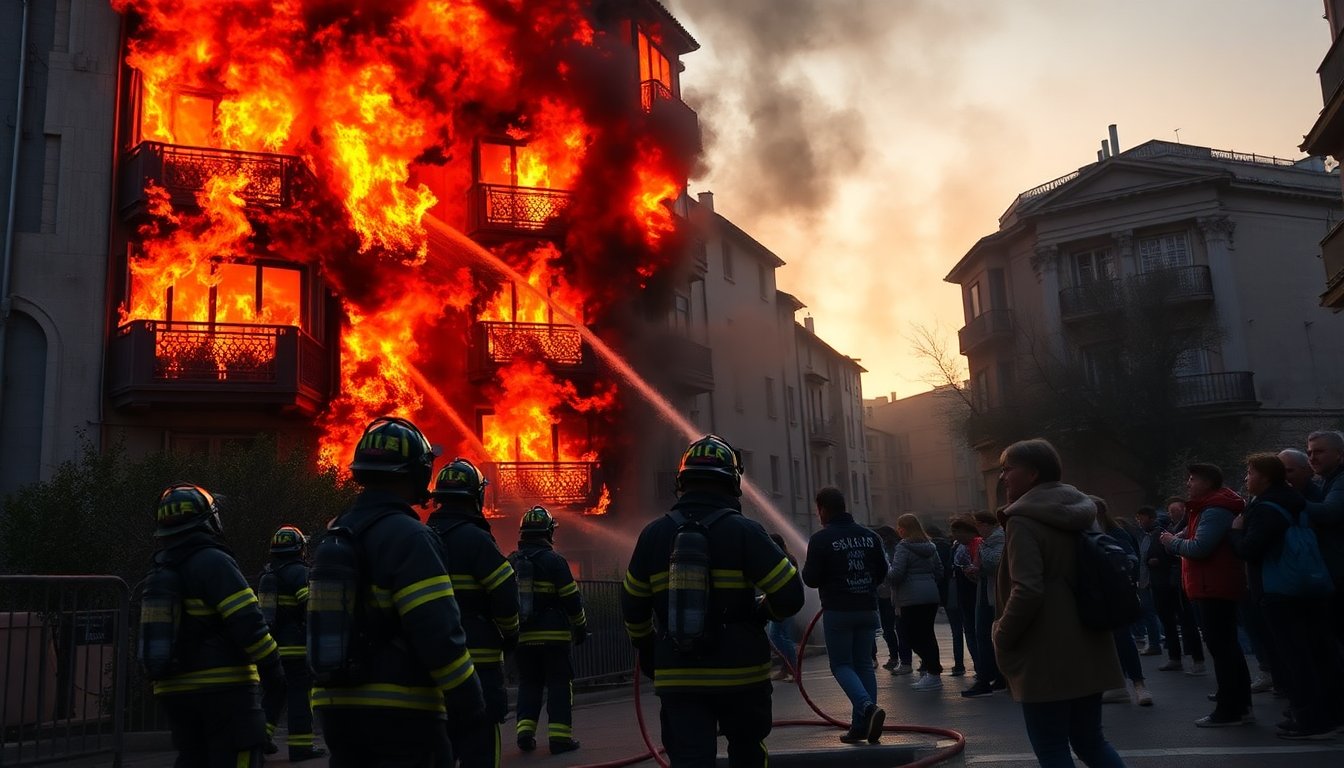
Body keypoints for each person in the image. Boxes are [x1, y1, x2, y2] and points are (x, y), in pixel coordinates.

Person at [311, 416, 485, 767]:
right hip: (402, 711)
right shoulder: (411, 537)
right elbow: (438, 632)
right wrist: (471, 701)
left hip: (335, 708)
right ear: (417, 473)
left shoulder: (337, 531)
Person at [622, 434, 805, 767]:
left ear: (682, 480)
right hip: (742, 673)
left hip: (678, 675)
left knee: (690, 760)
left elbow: (632, 603)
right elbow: (791, 595)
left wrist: (648, 648)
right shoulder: (745, 531)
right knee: (748, 752)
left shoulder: (653, 535)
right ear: (733, 481)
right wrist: (762, 612)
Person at [991, 439, 1126, 768]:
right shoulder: (1080, 511)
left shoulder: (1023, 519)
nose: (1003, 477)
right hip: (1089, 640)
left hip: (1044, 651)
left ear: (1033, 473)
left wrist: (1002, 634)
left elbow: (1028, 589)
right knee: (1091, 741)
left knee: (1051, 747)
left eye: (1008, 469)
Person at [144, 484, 284, 767]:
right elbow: (249, 623)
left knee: (193, 758)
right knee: (238, 755)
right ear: (208, 519)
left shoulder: (159, 570)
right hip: (224, 690)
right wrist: (273, 667)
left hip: (173, 692)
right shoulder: (213, 562)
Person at [1229, 452, 1340, 739]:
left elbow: (1250, 550)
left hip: (1278, 589)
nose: (1246, 478)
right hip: (1311, 585)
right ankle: (1330, 714)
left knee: (1294, 658)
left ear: (1265, 476)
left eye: (1250, 473)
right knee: (1318, 653)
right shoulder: (1298, 501)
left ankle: (1310, 720)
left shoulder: (1266, 507)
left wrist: (1236, 532)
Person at [427, 458, 521, 767]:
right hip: (477, 661)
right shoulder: (477, 540)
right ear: (476, 496)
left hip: (430, 662)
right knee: (479, 743)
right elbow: (506, 593)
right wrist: (510, 633)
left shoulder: (419, 539)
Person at [1159, 463, 1251, 727]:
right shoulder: (1207, 508)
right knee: (1224, 647)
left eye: (1191, 479)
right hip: (1209, 585)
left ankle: (1231, 709)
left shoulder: (1215, 509)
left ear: (1207, 482)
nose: (1187, 484)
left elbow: (1200, 547)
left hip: (1214, 586)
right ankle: (1235, 700)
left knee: (1223, 649)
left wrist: (1171, 543)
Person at [802, 486, 890, 744]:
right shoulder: (870, 536)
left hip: (838, 610)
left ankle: (867, 708)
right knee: (863, 664)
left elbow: (810, 578)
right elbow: (882, 571)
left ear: (823, 510)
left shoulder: (821, 539)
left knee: (841, 664)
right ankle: (861, 727)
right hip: (867, 608)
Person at [510, 505, 587, 755]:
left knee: (529, 683)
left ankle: (524, 732)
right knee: (558, 684)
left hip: (522, 637)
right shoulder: (554, 561)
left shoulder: (511, 561)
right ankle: (560, 739)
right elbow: (571, 599)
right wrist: (581, 626)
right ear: (549, 532)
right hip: (554, 638)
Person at [258, 525, 326, 761]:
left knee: (274, 693)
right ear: (300, 549)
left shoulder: (268, 575)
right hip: (297, 648)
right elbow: (311, 606)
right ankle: (301, 747)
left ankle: (260, 739)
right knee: (300, 695)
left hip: (272, 648)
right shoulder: (299, 573)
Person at [1092, 497, 1152, 707]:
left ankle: (1138, 684)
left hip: (1114, 594)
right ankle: (1116, 685)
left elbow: (1130, 560)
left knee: (1122, 638)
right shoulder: (1088, 535)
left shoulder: (1114, 534)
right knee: (1107, 641)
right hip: (1099, 595)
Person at [887, 514, 944, 691]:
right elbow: (940, 571)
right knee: (927, 634)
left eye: (899, 527)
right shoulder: (931, 546)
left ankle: (933, 671)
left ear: (904, 528)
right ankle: (933, 673)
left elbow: (896, 575)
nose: (898, 530)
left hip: (910, 598)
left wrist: (885, 570)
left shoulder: (903, 547)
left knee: (909, 635)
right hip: (930, 595)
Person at [1150, 498, 1205, 675]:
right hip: (1164, 581)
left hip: (1179, 580)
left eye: (1174, 510)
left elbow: (1178, 551)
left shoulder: (1186, 528)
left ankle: (1198, 659)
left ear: (1183, 510)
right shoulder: (1164, 529)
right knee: (1168, 621)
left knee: (1187, 620)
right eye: (1170, 510)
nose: (1171, 514)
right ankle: (1175, 657)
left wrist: (1169, 549)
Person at [1304, 430, 1344, 646]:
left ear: (1339, 454)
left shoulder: (1341, 479)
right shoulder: (1325, 481)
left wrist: (1291, 499)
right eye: (1309, 452)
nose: (1312, 457)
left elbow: (1330, 512)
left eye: (1319, 452)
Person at [962, 510, 1005, 698]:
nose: (977, 529)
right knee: (985, 636)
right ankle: (995, 676)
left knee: (985, 636)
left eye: (978, 525)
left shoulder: (997, 540)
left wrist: (982, 550)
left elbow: (995, 563)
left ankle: (985, 678)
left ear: (987, 524)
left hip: (995, 596)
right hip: (986, 592)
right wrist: (974, 571)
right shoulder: (988, 542)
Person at [873, 525, 910, 674]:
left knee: (896, 629)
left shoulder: (895, 548)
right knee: (890, 629)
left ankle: (899, 658)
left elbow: (894, 571)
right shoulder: (886, 548)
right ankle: (896, 657)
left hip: (892, 593)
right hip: (885, 593)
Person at [949, 516, 981, 677]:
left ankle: (982, 667)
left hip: (973, 593)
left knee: (974, 631)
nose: (953, 535)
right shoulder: (958, 546)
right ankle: (979, 666)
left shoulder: (975, 544)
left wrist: (970, 572)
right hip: (965, 594)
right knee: (969, 630)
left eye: (956, 531)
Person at [1132, 507, 1164, 657]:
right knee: (1149, 613)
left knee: (1151, 613)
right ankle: (1155, 642)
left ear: (1151, 518)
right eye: (1137, 519)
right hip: (1144, 581)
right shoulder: (1144, 536)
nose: (1139, 522)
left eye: (1142, 518)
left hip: (1153, 581)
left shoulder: (1158, 534)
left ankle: (1154, 644)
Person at [767, 533, 800, 681]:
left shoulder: (784, 559)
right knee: (778, 635)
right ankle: (786, 668)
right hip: (780, 601)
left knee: (781, 637)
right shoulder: (786, 557)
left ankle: (793, 669)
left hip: (785, 602)